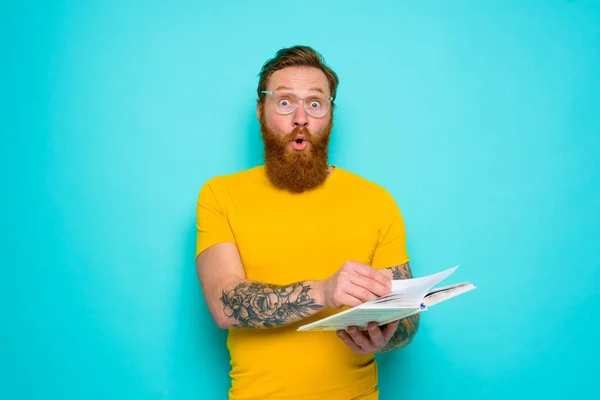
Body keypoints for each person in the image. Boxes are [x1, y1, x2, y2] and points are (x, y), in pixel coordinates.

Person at [195, 45, 419, 400]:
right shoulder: (221, 195)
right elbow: (226, 304)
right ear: (260, 110)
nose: (301, 117)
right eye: (284, 101)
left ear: (329, 115)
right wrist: (324, 292)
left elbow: (407, 318)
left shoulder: (377, 201)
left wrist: (389, 333)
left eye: (315, 103)